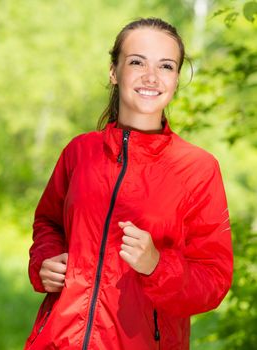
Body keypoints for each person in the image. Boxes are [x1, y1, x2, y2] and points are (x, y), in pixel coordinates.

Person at [25, 17, 233, 350]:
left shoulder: (197, 168)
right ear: (114, 71)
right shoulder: (80, 152)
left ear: (177, 79)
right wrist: (45, 262)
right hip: (58, 340)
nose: (151, 76)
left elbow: (214, 280)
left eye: (166, 66)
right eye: (137, 62)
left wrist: (157, 265)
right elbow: (48, 222)